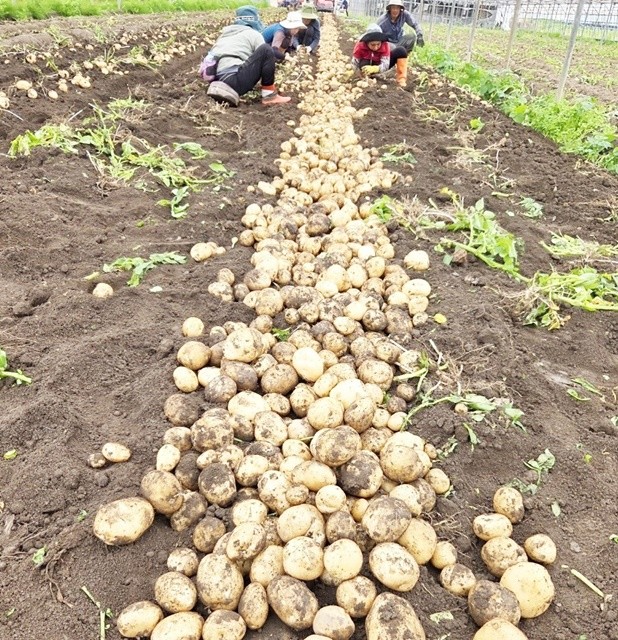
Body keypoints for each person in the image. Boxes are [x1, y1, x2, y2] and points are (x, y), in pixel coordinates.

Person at [204, 5, 290, 106]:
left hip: (219, 78)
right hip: (235, 80)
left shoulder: (223, 35)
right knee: (266, 50)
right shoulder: (253, 34)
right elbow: (265, 57)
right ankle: (270, 95)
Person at [351, 23, 409, 87]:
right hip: (365, 65)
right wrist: (355, 73)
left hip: (380, 65)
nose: (376, 48)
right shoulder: (360, 45)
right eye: (372, 45)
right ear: (367, 42)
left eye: (378, 44)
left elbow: (386, 64)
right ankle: (366, 77)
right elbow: (355, 62)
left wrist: (376, 68)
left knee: (401, 51)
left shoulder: (385, 45)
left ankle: (401, 80)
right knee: (363, 63)